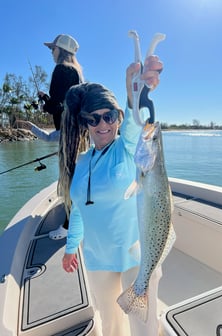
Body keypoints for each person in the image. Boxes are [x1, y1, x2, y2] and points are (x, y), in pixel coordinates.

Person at [59, 55, 163, 336]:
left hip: (135, 257)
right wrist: (71, 247)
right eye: (93, 118)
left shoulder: (128, 148)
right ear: (85, 122)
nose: (102, 124)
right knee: (110, 325)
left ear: (117, 117)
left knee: (143, 327)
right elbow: (80, 208)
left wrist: (138, 91)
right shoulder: (81, 162)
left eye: (109, 115)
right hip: (96, 258)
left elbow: (137, 120)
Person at [17, 34, 84, 239]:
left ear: (60, 50)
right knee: (77, 178)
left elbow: (55, 107)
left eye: (52, 49)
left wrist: (46, 102)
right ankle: (76, 220)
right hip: (78, 132)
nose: (51, 52)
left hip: (68, 134)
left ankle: (68, 227)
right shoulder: (76, 73)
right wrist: (47, 98)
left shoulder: (61, 69)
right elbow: (64, 104)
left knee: (69, 180)